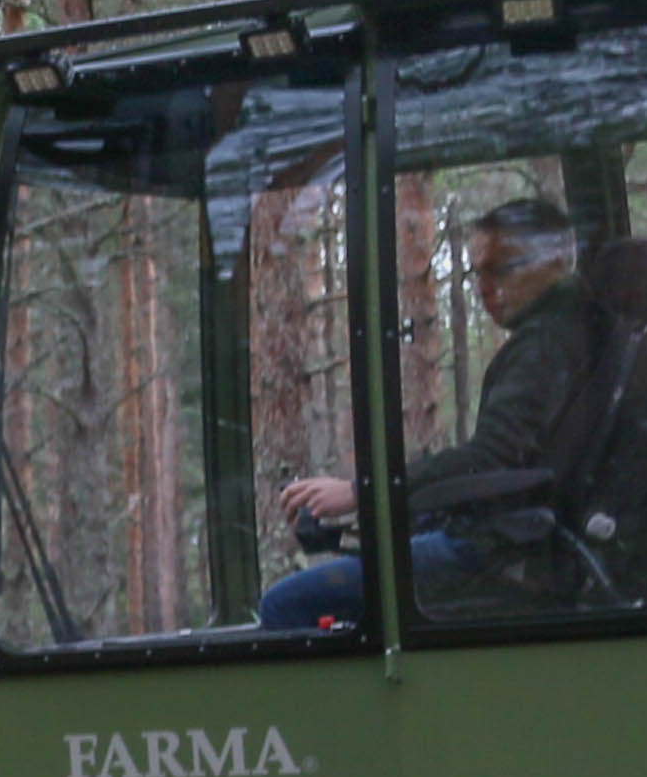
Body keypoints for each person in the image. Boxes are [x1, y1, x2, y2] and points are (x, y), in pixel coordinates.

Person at [252, 194, 591, 630]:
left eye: (502, 269)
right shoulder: (569, 333)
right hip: (519, 538)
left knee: (284, 605)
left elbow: (491, 459)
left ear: (556, 262)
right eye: (478, 273)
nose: (485, 288)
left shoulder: (544, 347)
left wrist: (362, 492)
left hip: (500, 549)